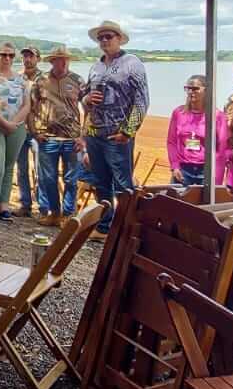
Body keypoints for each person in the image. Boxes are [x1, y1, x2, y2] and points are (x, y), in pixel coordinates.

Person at [82, 20, 149, 234]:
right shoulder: (96, 65)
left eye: (109, 36)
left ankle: (126, 228)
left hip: (117, 135)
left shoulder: (132, 63)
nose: (104, 41)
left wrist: (128, 131)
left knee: (123, 185)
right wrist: (87, 99)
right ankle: (104, 227)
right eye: (101, 37)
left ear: (119, 38)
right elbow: (84, 97)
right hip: (94, 134)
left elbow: (142, 100)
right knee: (101, 183)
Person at [30, 44, 87, 226]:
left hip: (72, 139)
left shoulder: (78, 81)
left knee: (71, 179)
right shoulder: (41, 80)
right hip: (47, 138)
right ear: (52, 61)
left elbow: (89, 110)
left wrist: (83, 137)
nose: (61, 62)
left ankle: (68, 214)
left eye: (64, 59)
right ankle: (54, 213)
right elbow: (30, 108)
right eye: (57, 59)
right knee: (48, 178)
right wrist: (35, 132)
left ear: (68, 60)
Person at [0, 42, 31, 221]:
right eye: (4, 55)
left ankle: (4, 205)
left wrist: (13, 124)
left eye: (11, 55)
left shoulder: (22, 80)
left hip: (16, 128)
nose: (7, 58)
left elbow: (27, 106)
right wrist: (4, 123)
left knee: (9, 166)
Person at [166, 73, 216, 188]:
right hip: (183, 169)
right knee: (175, 202)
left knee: (203, 205)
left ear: (206, 90)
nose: (190, 92)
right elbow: (171, 142)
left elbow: (220, 148)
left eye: (195, 88)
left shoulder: (214, 115)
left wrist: (215, 174)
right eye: (187, 88)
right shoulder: (178, 113)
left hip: (205, 170)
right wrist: (175, 166)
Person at [15, 46, 41, 215]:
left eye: (31, 56)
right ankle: (25, 204)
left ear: (38, 58)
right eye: (25, 56)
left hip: (39, 129)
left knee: (41, 169)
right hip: (20, 128)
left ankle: (42, 205)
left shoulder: (45, 79)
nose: (27, 59)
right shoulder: (17, 77)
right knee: (21, 168)